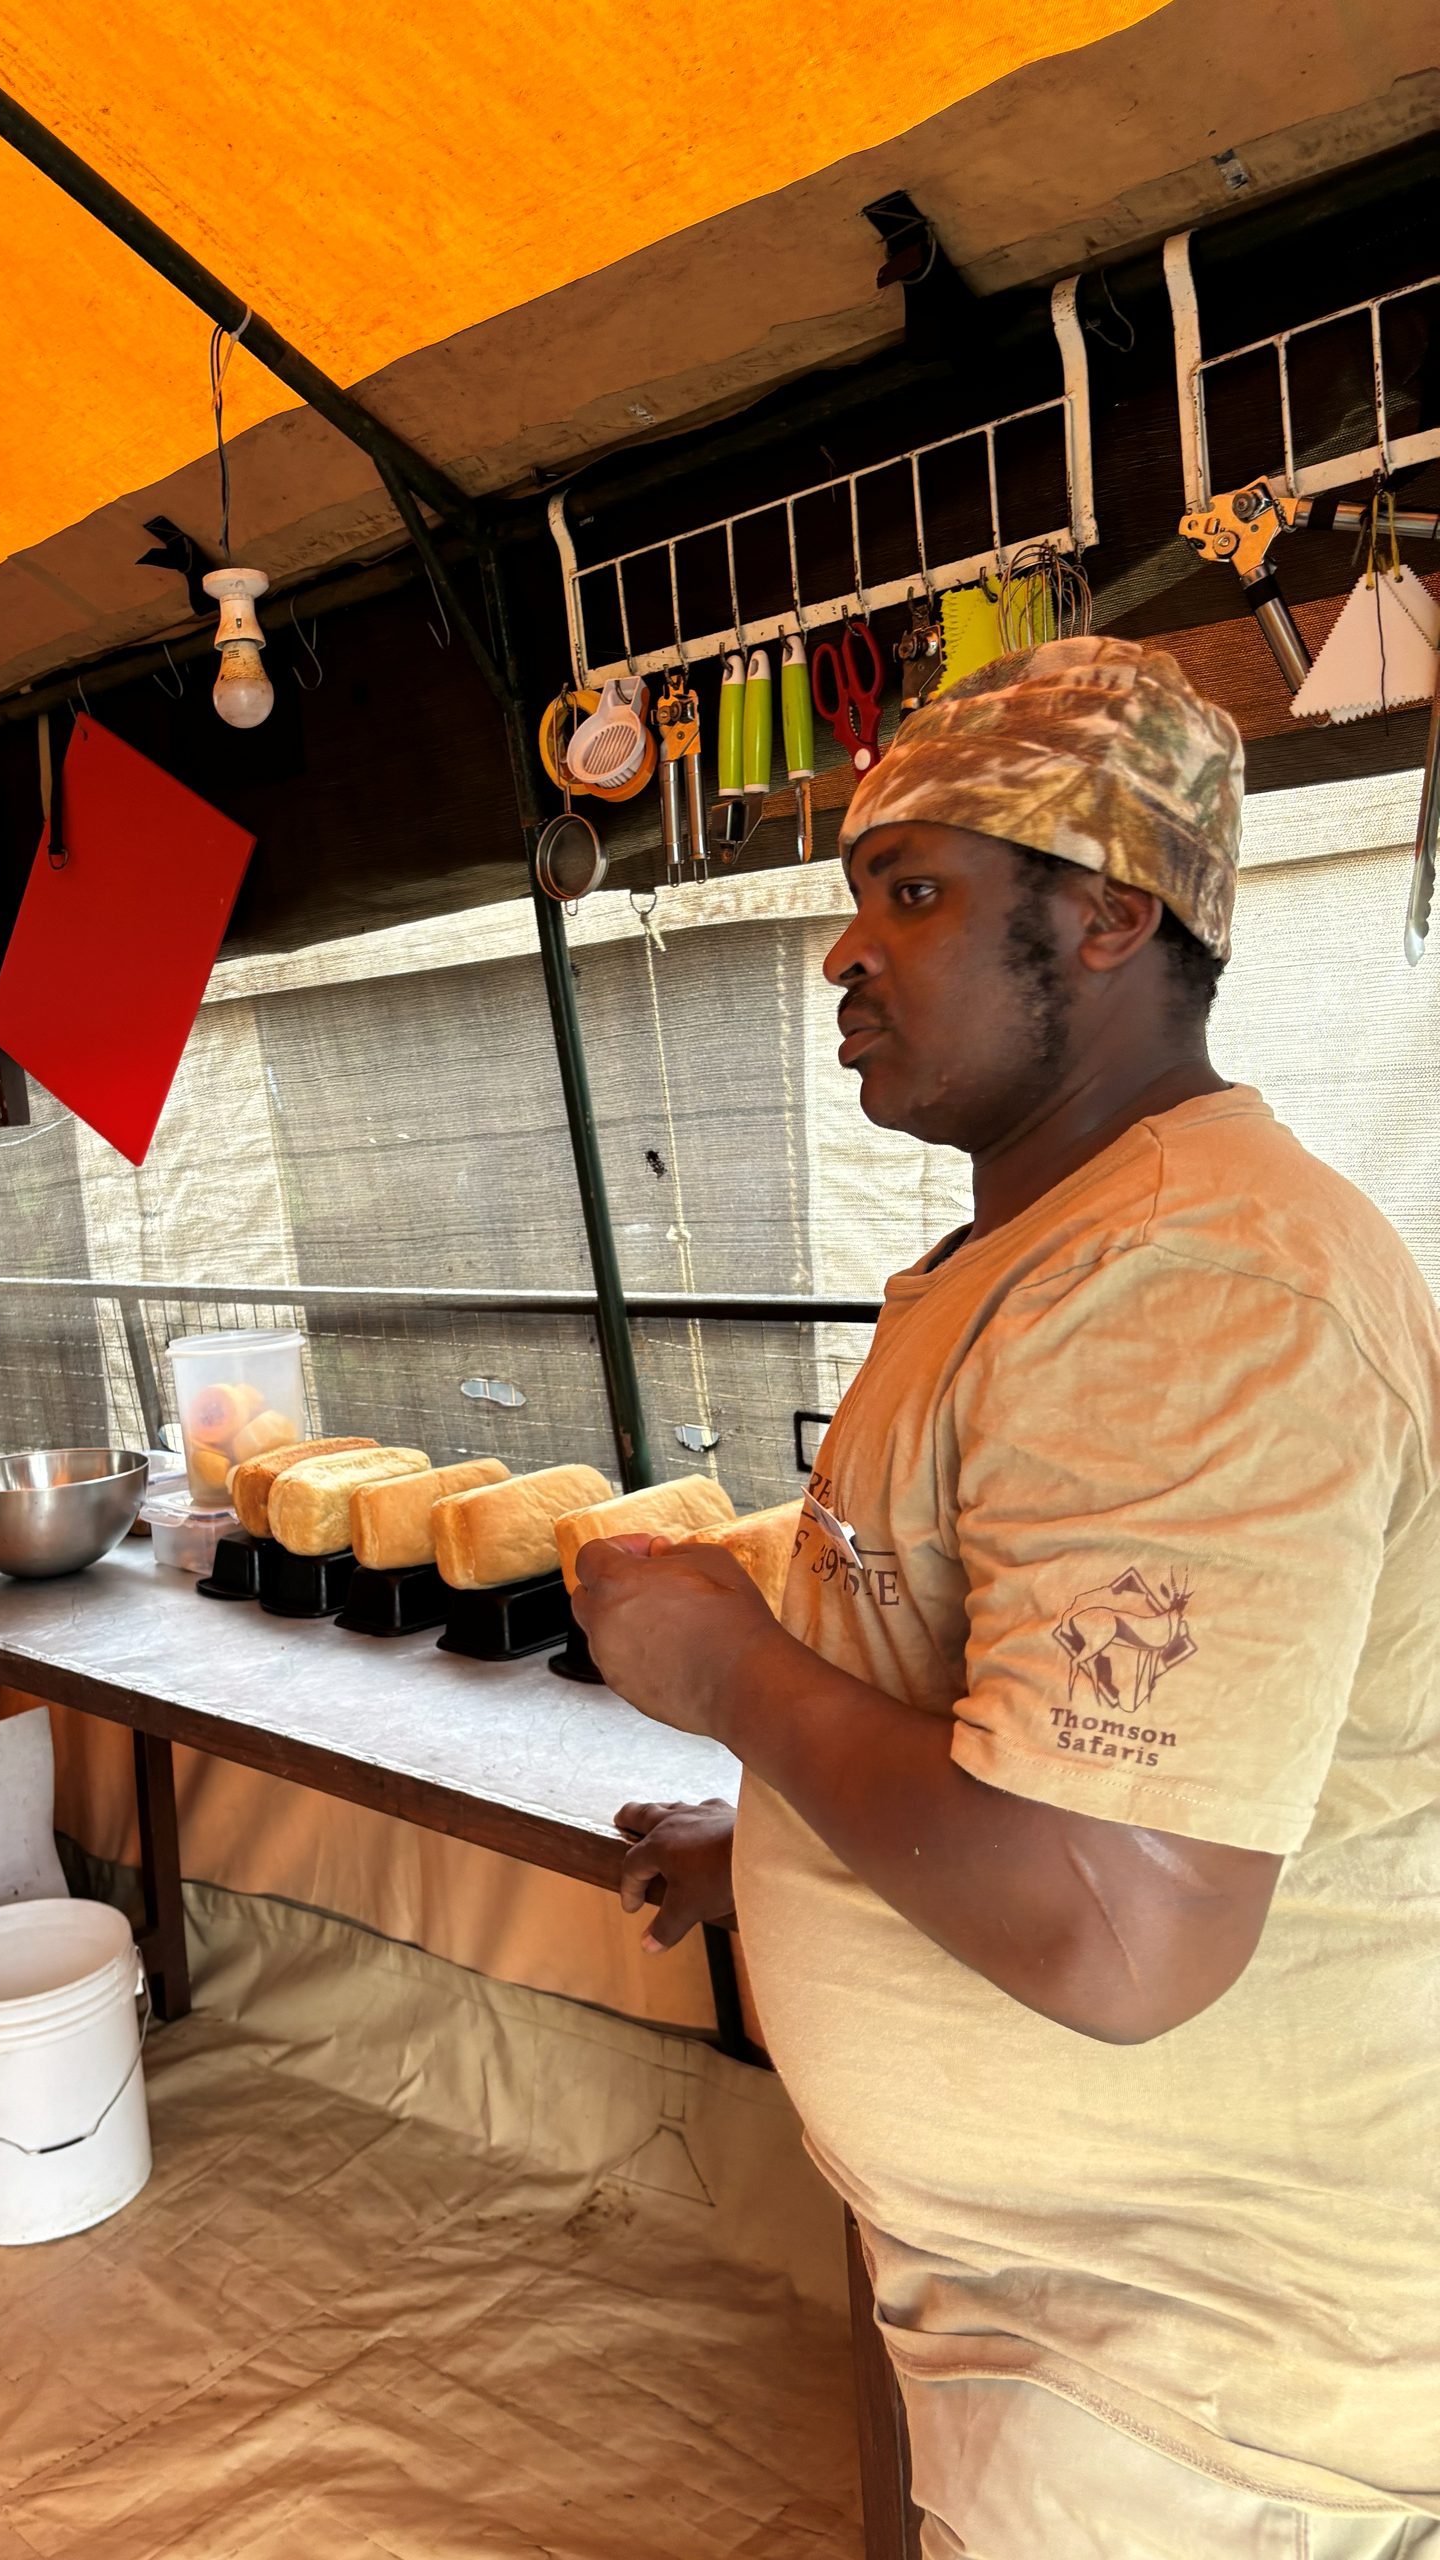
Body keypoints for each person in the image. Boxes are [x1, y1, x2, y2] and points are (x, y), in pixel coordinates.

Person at [575, 638, 1440, 2557]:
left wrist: (725, 1674)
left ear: (1113, 910)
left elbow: (1118, 1929)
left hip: (1206, 2398)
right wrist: (786, 1837)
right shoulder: (1049, 1252)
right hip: (1077, 2342)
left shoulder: (1197, 1287)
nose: (843, 954)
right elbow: (995, 1697)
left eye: (914, 891)